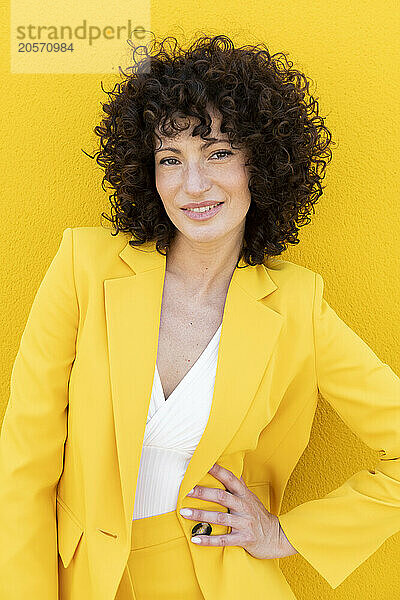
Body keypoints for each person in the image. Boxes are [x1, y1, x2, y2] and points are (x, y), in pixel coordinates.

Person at [0, 32, 399, 600]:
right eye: (171, 159)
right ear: (148, 173)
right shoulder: (83, 267)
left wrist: (286, 535)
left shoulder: (299, 307)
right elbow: (23, 465)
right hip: (82, 581)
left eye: (217, 152)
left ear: (260, 162)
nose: (194, 185)